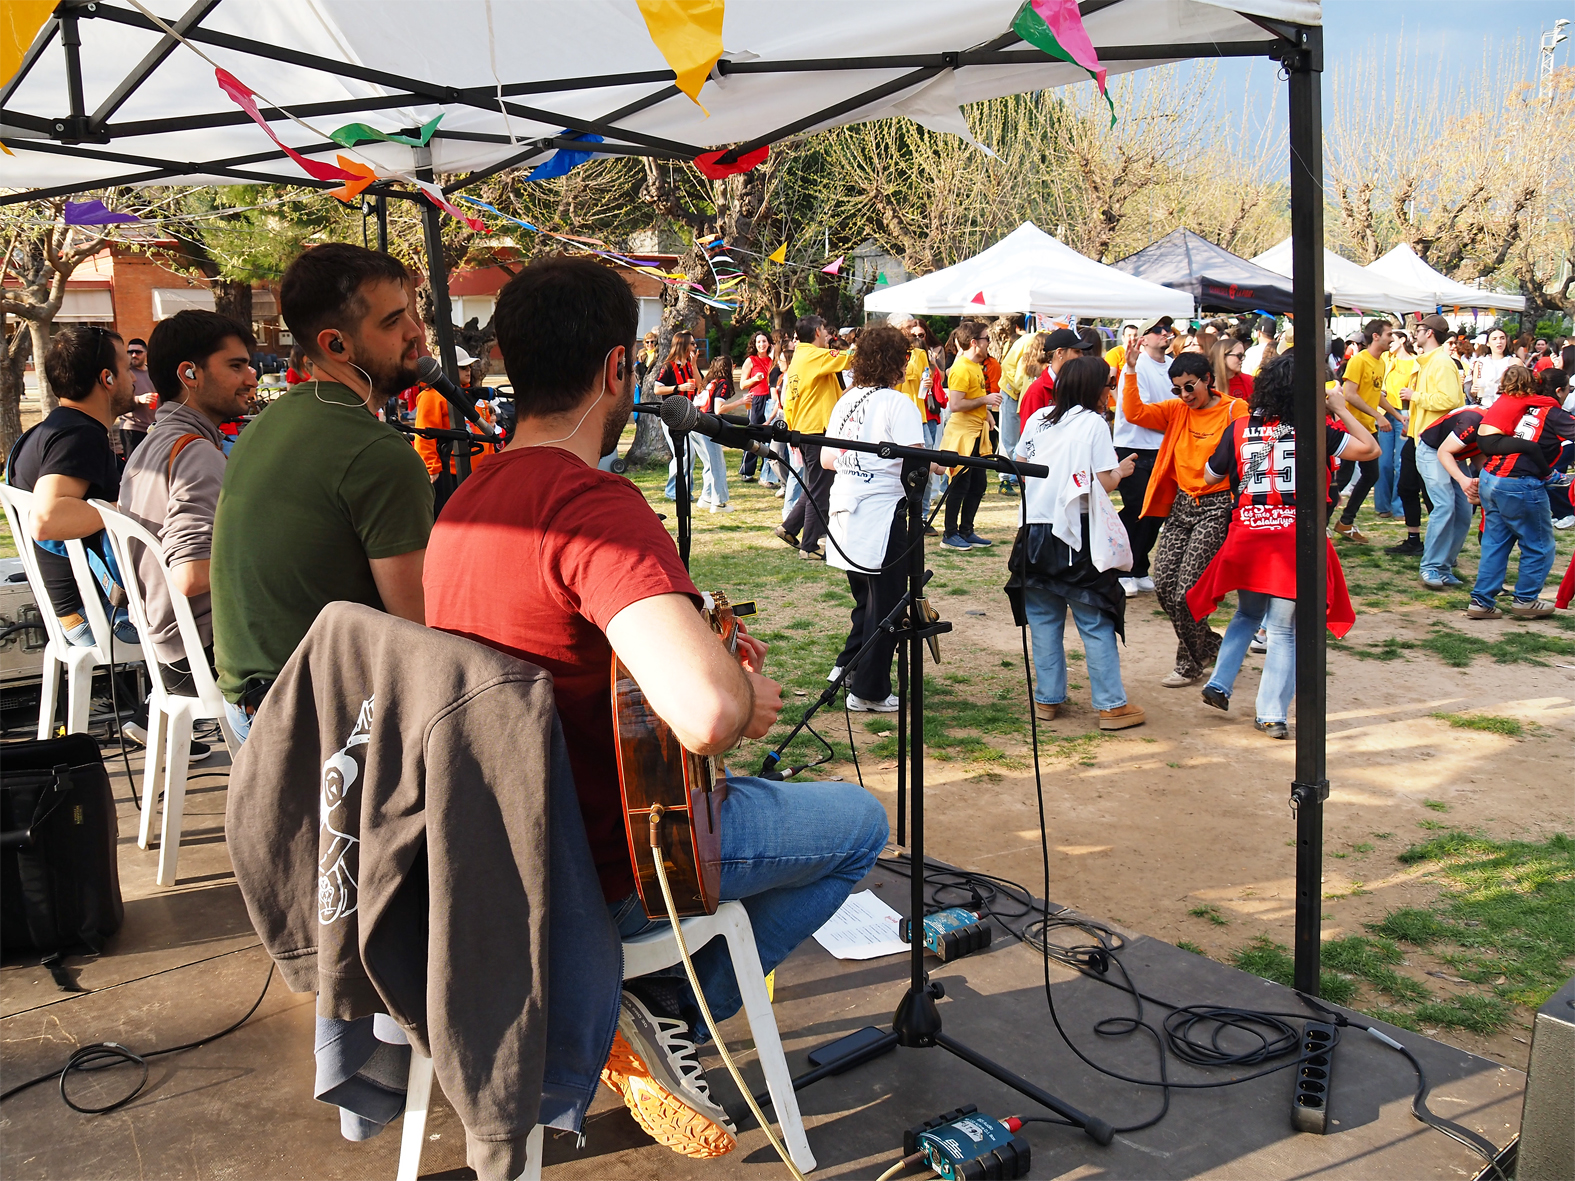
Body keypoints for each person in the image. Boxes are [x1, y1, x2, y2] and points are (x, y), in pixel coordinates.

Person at [421, 255, 887, 1160]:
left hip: (498, 859)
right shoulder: (590, 503)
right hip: (612, 868)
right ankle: (660, 999)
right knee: (860, 823)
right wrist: (740, 689)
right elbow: (708, 715)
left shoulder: (464, 501)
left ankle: (642, 1001)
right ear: (617, 371)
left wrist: (692, 640)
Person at [211, 243, 433, 741]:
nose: (415, 333)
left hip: (249, 704)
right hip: (316, 721)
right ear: (336, 345)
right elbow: (422, 632)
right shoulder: (376, 452)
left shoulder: (272, 421)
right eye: (394, 320)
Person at [1188, 355, 1377, 739]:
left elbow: (1210, 475)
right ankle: (1271, 713)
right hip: (1294, 539)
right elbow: (1369, 448)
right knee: (1283, 630)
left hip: (1249, 535)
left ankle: (1220, 683)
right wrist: (1340, 407)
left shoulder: (1239, 427)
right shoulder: (1315, 430)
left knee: (1246, 613)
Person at [115, 310, 258, 752]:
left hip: (165, 648)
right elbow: (192, 574)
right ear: (189, 374)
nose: (252, 377)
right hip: (199, 653)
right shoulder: (194, 452)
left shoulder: (152, 443)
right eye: (235, 366)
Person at [1008, 355, 1144, 730]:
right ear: (1094, 388)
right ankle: (1110, 704)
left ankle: (1047, 699)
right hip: (1075, 534)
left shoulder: (1038, 419)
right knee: (1095, 617)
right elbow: (1103, 482)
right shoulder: (1094, 425)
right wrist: (1122, 471)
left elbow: (1020, 466)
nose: (1111, 391)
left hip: (1033, 530)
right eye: (1109, 384)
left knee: (1043, 619)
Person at [1120, 349, 1248, 687]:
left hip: (1218, 506)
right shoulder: (1176, 410)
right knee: (1163, 584)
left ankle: (1189, 663)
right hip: (1181, 505)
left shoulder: (1235, 410)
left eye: (1189, 387)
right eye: (1177, 389)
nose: (1184, 395)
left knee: (1187, 592)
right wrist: (1130, 370)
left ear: (1208, 379)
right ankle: (1209, 645)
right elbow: (1133, 413)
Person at [6, 325, 139, 650]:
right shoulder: (79, 436)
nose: (134, 378)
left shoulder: (44, 431)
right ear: (107, 378)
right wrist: (126, 513)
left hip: (68, 613)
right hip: (102, 617)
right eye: (127, 368)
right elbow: (48, 519)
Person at [821, 325, 928, 711]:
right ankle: (869, 691)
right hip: (881, 512)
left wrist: (857, 462)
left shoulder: (847, 400)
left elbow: (828, 458)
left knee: (868, 600)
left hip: (847, 507)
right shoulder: (897, 404)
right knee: (888, 605)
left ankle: (845, 667)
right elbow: (916, 462)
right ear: (898, 362)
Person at [1464, 364, 1575, 619]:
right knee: (1539, 545)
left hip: (1491, 476)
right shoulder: (1552, 411)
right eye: (1568, 390)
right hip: (1520, 483)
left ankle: (1481, 602)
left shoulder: (1519, 401)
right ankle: (1525, 600)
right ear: (1559, 391)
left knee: (1496, 543)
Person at [1386, 314, 1463, 559]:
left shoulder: (1441, 362)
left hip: (1436, 441)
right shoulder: (1426, 361)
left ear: (1429, 333)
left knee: (1439, 501)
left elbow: (1450, 400)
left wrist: (1415, 396)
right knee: (1408, 487)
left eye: (1419, 329)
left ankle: (1440, 555)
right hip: (1420, 438)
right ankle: (1416, 541)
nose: (1415, 333)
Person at [775, 315, 851, 560]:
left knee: (815, 485)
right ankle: (809, 545)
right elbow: (851, 360)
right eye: (825, 331)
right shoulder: (816, 355)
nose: (829, 335)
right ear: (817, 332)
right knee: (821, 489)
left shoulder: (802, 355)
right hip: (818, 430)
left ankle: (789, 527)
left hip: (806, 429)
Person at [1112, 315, 1178, 597]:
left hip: (1164, 447)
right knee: (1138, 508)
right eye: (1157, 330)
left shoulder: (1174, 366)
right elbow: (1139, 412)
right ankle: (1121, 567)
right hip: (1134, 446)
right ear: (1143, 337)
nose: (1165, 333)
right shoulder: (1135, 366)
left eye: (1167, 329)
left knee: (1157, 511)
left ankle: (1138, 566)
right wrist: (1174, 418)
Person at [1330, 319, 1396, 543]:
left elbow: (1375, 394)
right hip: (1351, 428)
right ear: (1376, 336)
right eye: (1388, 334)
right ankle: (1326, 523)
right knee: (1345, 476)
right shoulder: (1359, 360)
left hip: (1366, 428)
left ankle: (1345, 521)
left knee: (1369, 475)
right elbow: (1350, 394)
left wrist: (1396, 415)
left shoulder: (1381, 362)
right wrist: (1378, 415)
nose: (1392, 338)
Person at [939, 322, 1001, 550]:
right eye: (986, 339)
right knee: (959, 485)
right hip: (962, 435)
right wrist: (985, 401)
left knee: (977, 485)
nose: (989, 343)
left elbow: (972, 398)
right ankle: (950, 534)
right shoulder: (962, 368)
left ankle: (966, 530)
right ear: (974, 342)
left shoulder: (975, 366)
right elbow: (955, 404)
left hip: (976, 432)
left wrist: (987, 415)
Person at [654, 330, 703, 502]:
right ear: (682, 345)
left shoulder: (690, 366)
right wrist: (677, 388)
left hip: (689, 414)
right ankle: (673, 490)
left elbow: (701, 387)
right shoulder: (667, 367)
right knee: (681, 453)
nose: (694, 347)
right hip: (673, 415)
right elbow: (657, 388)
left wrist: (695, 366)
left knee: (689, 453)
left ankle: (684, 490)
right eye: (692, 343)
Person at [692, 355, 744, 512]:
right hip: (706, 426)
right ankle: (719, 503)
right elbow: (718, 409)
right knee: (717, 464)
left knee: (708, 464)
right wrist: (740, 402)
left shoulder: (709, 382)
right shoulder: (723, 383)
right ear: (728, 367)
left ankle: (706, 497)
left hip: (694, 424)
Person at [1016, 327, 1095, 422]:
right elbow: (1029, 432)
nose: (1081, 357)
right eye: (1077, 351)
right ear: (1059, 353)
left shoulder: (1076, 386)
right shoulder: (1037, 391)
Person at [993, 316, 1028, 495]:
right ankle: (1006, 478)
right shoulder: (1023, 342)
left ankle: (1017, 475)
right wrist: (1014, 389)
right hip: (1011, 394)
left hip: (1024, 395)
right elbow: (1007, 366)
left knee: (1022, 438)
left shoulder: (1030, 341)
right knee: (1009, 439)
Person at [112, 336, 158, 459]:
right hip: (132, 428)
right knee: (133, 469)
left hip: (153, 428)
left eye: (138, 352)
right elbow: (117, 398)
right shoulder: (125, 373)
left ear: (146, 353)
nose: (133, 355)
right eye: (130, 352)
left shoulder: (153, 372)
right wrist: (139, 399)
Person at [738, 331, 773, 482]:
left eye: (764, 341)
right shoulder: (751, 360)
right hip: (756, 399)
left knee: (770, 435)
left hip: (771, 398)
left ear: (769, 343)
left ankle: (768, 472)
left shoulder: (774, 360)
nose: (761, 345)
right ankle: (747, 470)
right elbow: (742, 384)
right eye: (758, 342)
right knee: (753, 434)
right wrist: (754, 379)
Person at [1471, 328, 1515, 408]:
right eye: (1494, 339)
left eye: (1502, 338)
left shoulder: (1513, 362)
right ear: (1488, 343)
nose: (1499, 341)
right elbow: (1475, 391)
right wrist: (1474, 391)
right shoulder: (1480, 363)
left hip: (1507, 406)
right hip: (1484, 406)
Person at [1212, 336, 1254, 402]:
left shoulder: (1250, 381)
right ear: (1223, 356)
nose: (1243, 359)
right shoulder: (1207, 385)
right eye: (1239, 356)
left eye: (1243, 355)